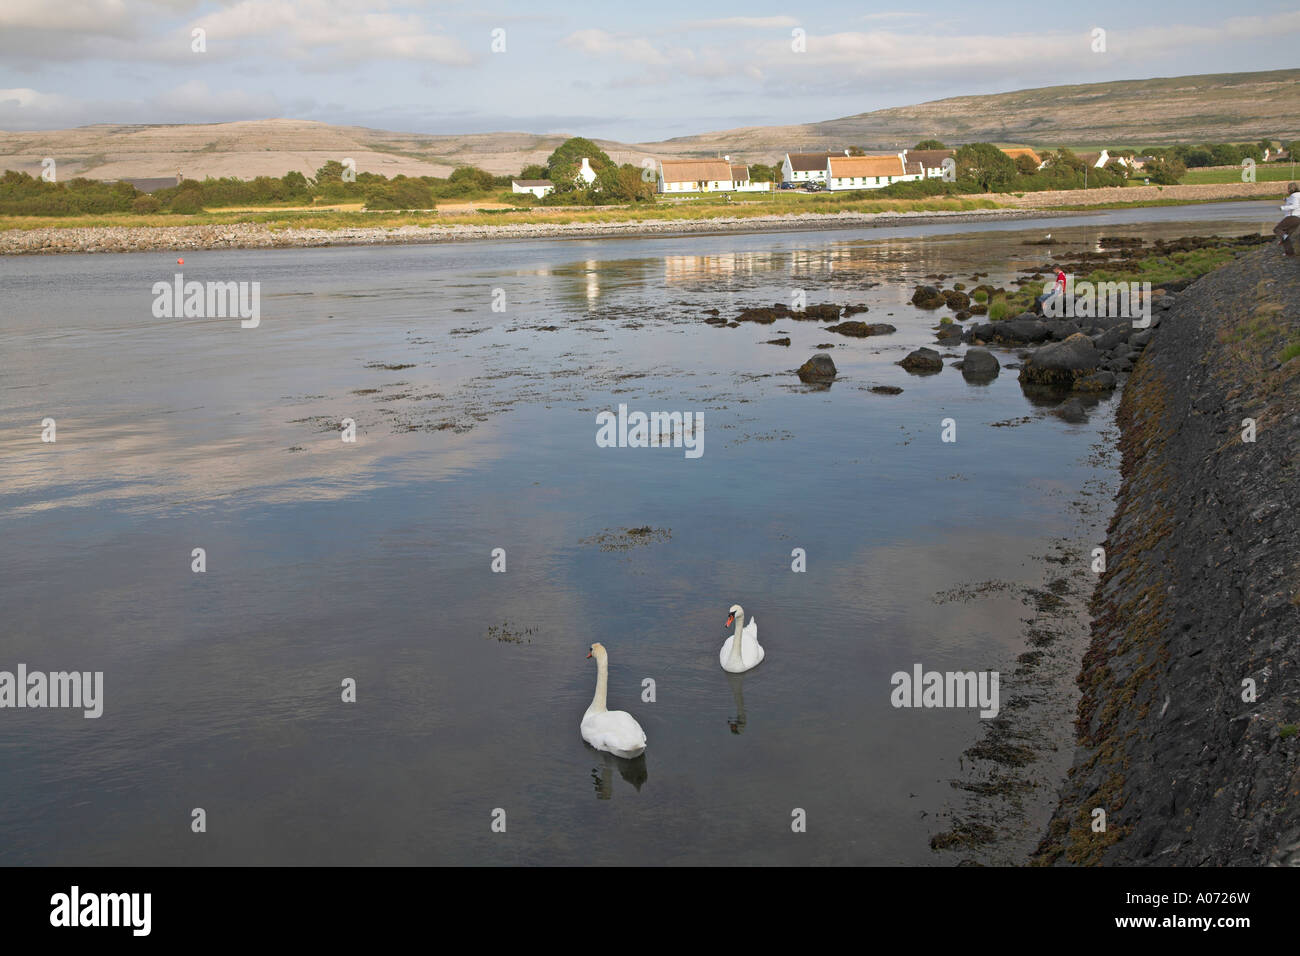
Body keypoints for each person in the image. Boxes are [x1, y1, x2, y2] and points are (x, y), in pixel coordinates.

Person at [1275, 183, 1300, 256]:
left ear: (1290, 189)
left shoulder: (1294, 196)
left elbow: (1295, 205)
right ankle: (1289, 252)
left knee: (1277, 229)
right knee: (1286, 233)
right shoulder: (1297, 195)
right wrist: (1286, 199)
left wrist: (1282, 208)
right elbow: (1294, 201)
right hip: (1298, 218)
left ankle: (1284, 238)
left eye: (1288, 189)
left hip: (1292, 217)